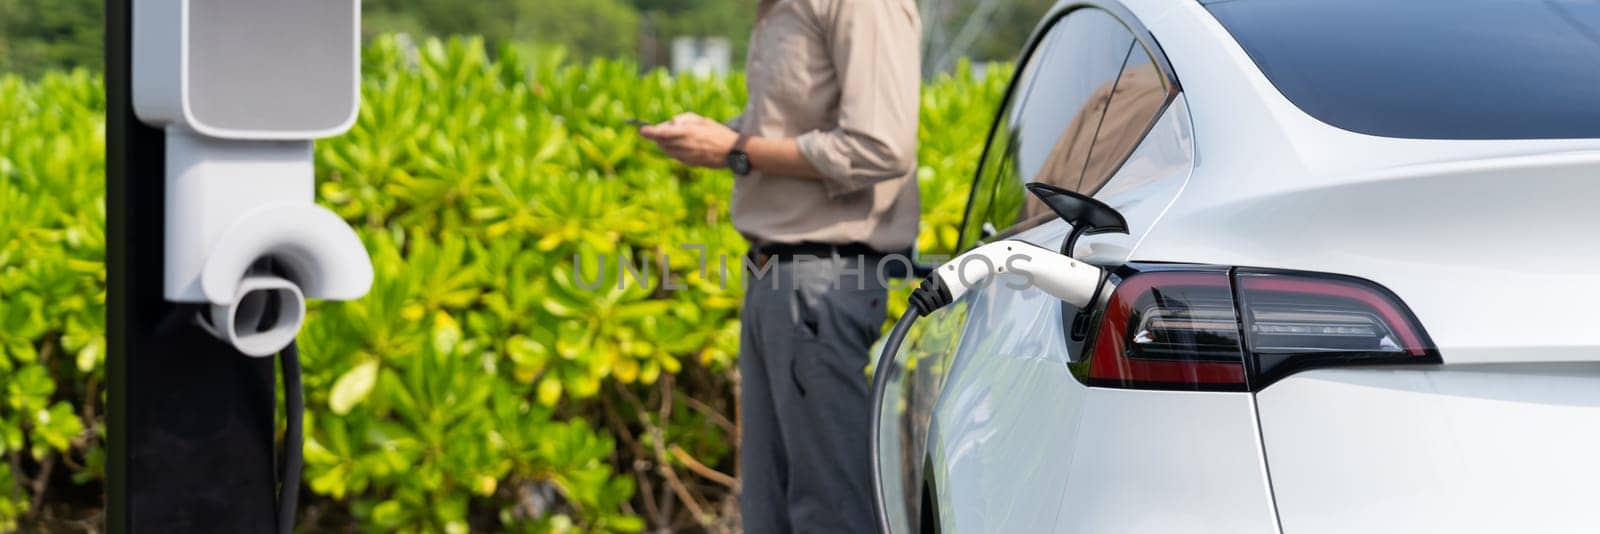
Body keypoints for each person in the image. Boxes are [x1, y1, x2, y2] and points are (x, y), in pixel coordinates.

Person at [639, 0, 921, 531]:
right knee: (771, 510)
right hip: (777, 279)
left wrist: (738, 149)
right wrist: (718, 140)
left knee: (828, 510)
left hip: (822, 281)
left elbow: (880, 147)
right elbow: (794, 123)